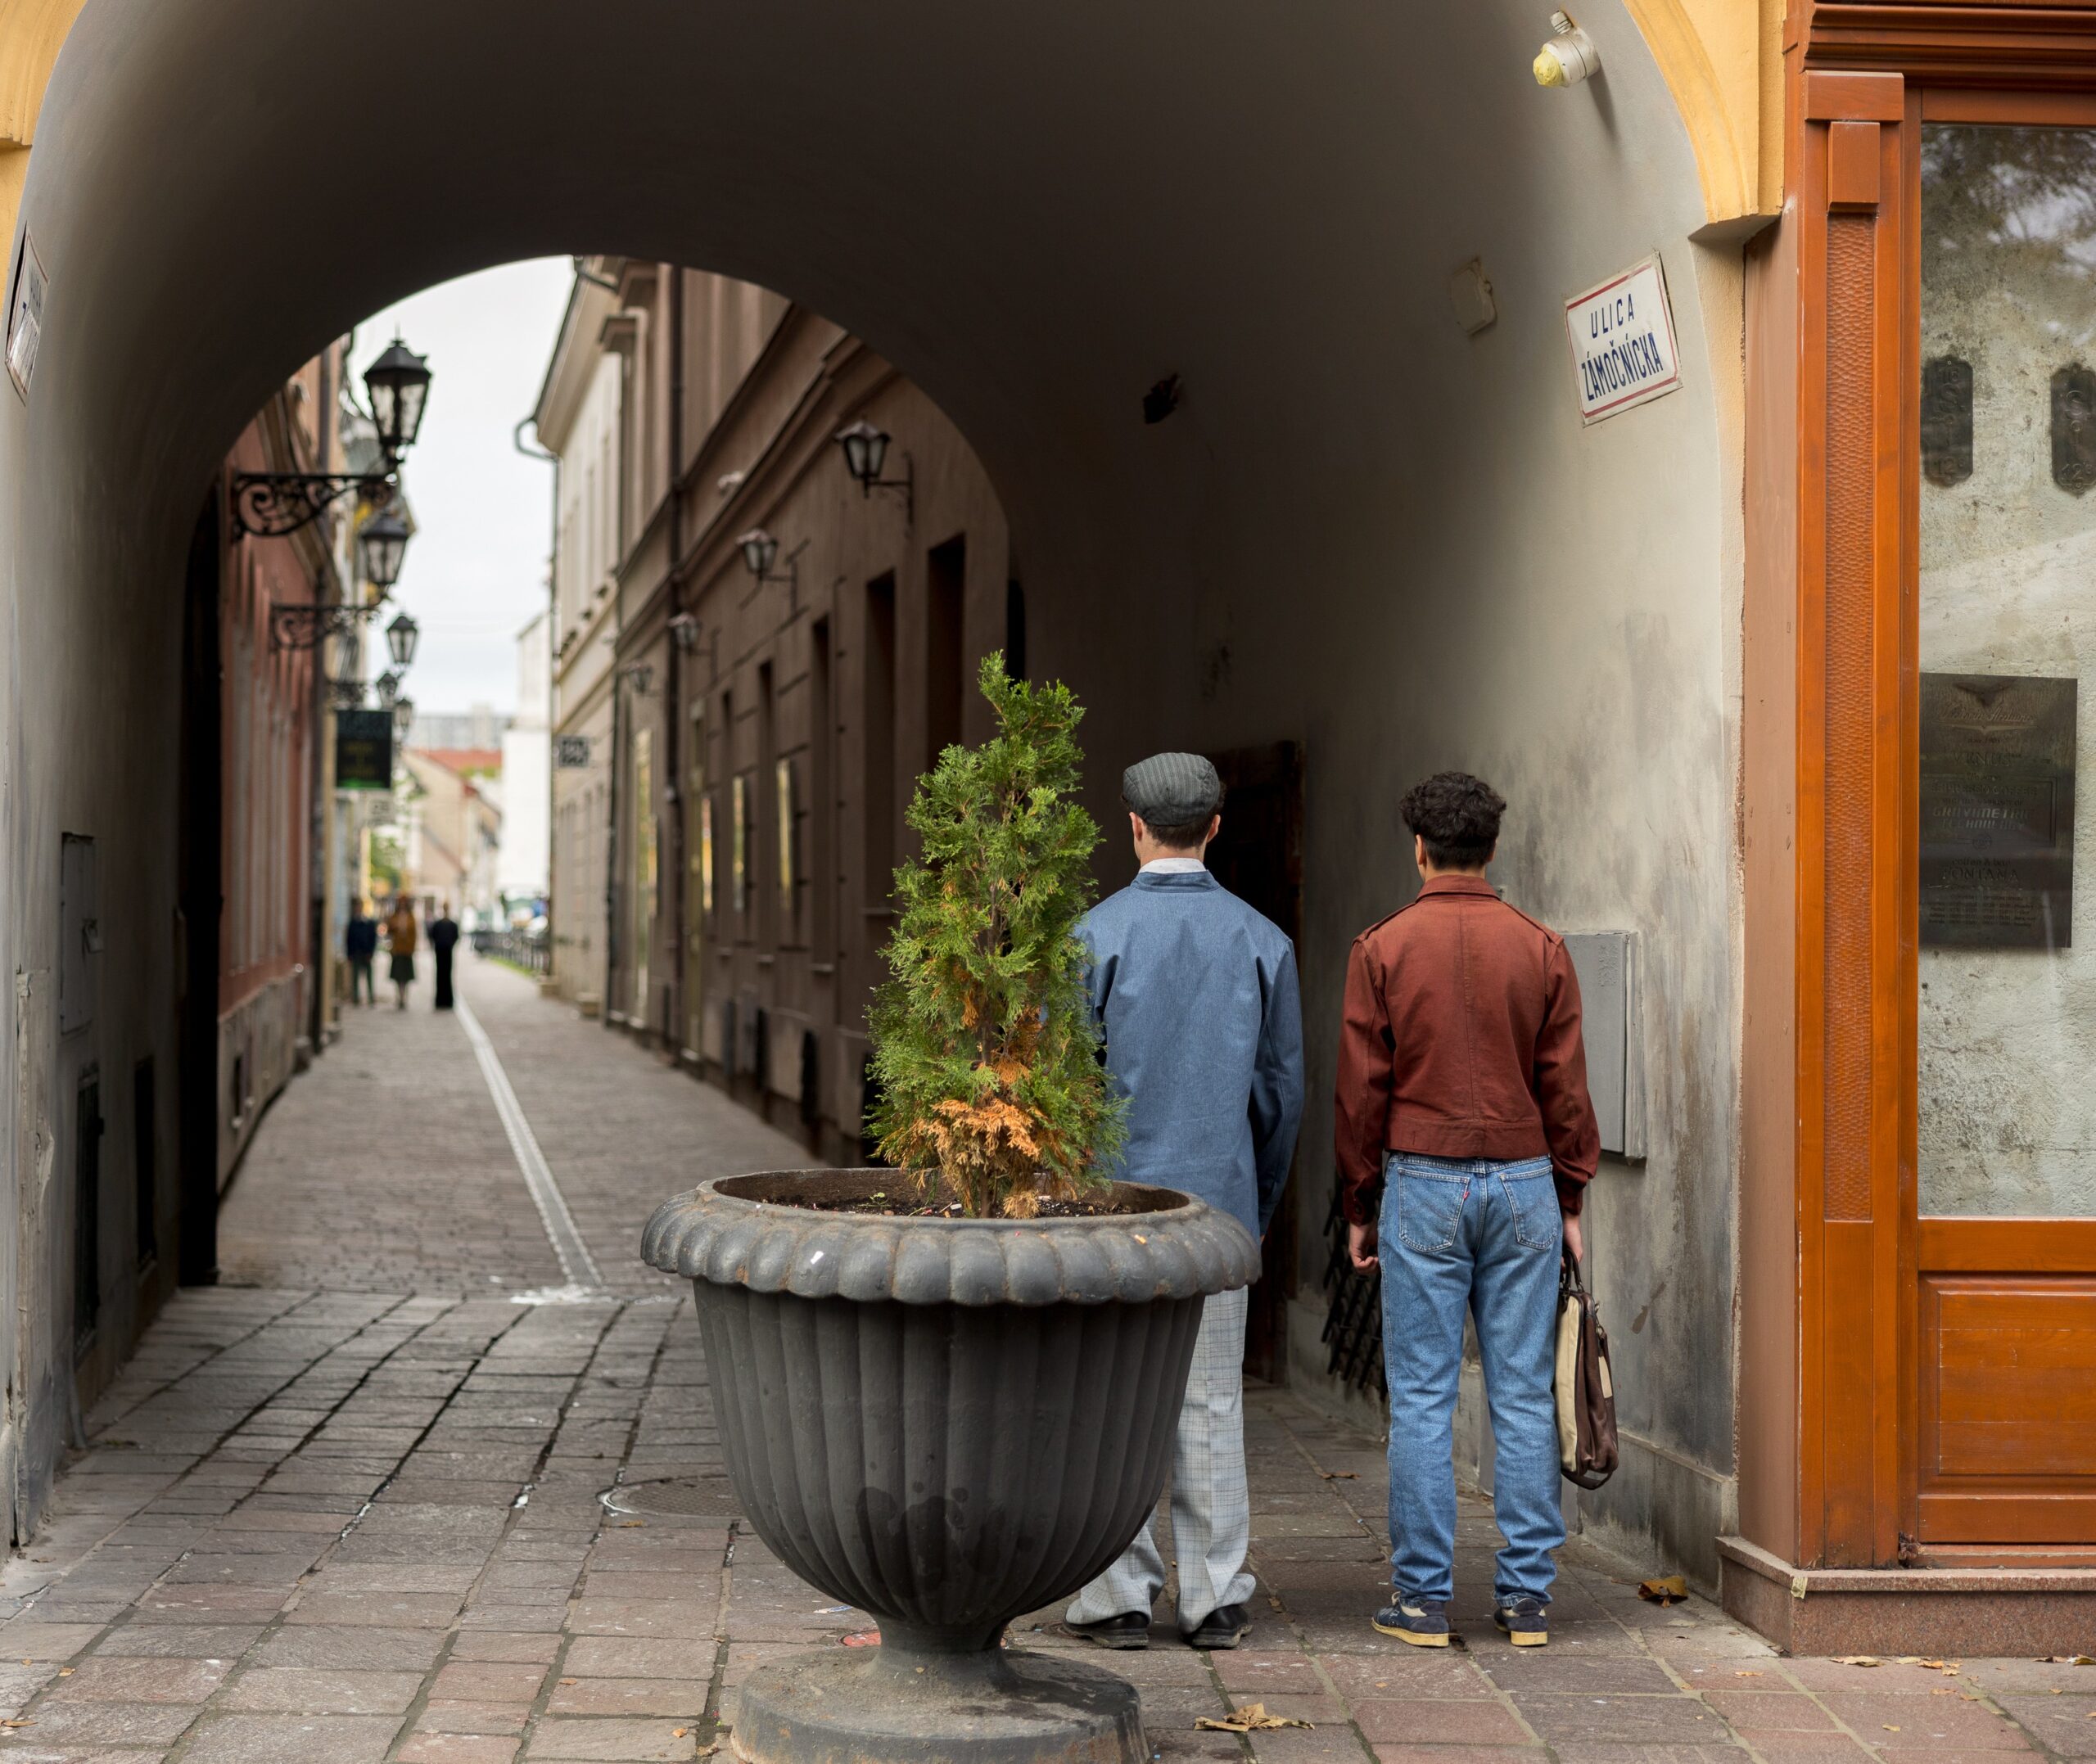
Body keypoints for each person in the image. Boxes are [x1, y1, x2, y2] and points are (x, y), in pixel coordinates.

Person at [1335, 773, 1598, 1651]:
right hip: (1524, 1180)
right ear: (1492, 850)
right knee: (1522, 1392)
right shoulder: (1541, 946)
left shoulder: (1381, 948)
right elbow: (1563, 1086)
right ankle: (1526, 1603)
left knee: (1420, 1395)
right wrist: (1568, 1194)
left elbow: (1362, 1093)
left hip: (1421, 1179)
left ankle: (1421, 1601)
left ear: (1418, 849)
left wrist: (1360, 1200)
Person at [1064, 752, 1304, 1653]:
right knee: (1209, 1401)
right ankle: (1214, 1597)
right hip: (1218, 1209)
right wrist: (1258, 1203)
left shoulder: (1091, 938)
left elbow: (1062, 1093)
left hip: (1110, 1211)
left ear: (1131, 825)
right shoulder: (1262, 941)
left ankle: (1115, 1594)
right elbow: (1281, 1097)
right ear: (1214, 826)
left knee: (1110, 1402)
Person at [386, 896, 418, 1010]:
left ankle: (404, 997)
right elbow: (389, 930)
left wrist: (412, 948)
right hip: (397, 950)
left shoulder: (411, 917)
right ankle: (399, 997)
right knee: (398, 976)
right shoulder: (394, 916)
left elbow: (414, 934)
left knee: (406, 976)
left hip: (407, 950)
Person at [345, 899, 377, 1007]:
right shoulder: (352, 923)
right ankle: (355, 998)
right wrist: (349, 954)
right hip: (355, 953)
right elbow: (349, 939)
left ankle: (370, 997)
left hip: (366, 952)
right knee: (355, 977)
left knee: (369, 976)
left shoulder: (368, 922)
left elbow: (373, 938)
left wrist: (371, 952)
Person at [429, 901, 460, 1011]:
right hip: (441, 951)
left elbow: (456, 937)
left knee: (446, 975)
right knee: (441, 975)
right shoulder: (440, 924)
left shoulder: (451, 924)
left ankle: (446, 1000)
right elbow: (432, 936)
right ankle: (441, 1000)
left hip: (446, 951)